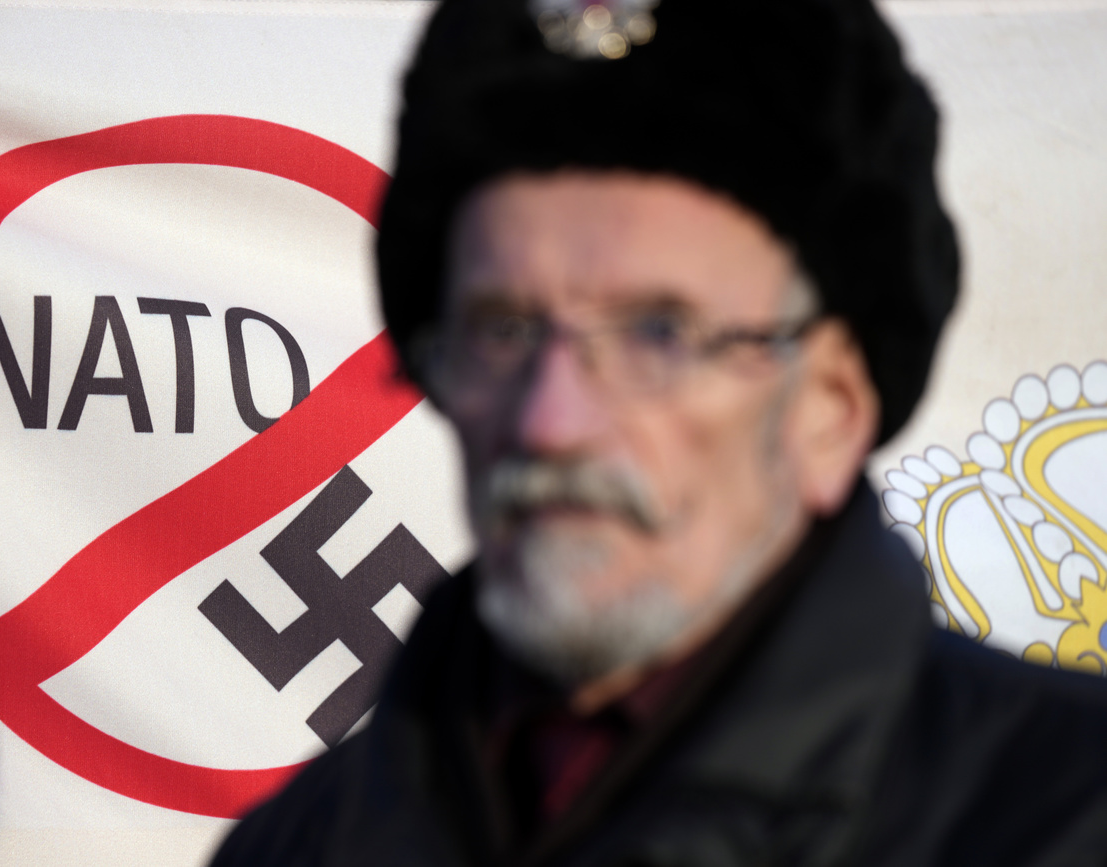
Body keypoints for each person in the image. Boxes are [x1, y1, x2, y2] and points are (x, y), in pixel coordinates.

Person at [210, 0, 1107, 863]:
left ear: (830, 411)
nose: (550, 421)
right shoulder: (291, 847)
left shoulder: (1068, 811)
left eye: (660, 334)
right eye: (503, 330)